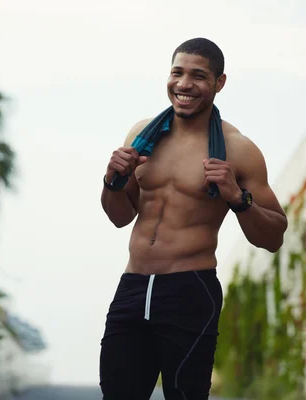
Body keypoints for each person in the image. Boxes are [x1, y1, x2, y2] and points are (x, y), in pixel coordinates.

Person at [98, 37, 288, 400]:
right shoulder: (141, 136)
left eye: (198, 76)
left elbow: (274, 236)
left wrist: (238, 198)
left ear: (219, 83)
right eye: (177, 73)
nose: (184, 84)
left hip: (190, 289)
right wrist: (111, 181)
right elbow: (120, 216)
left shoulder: (238, 149)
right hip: (133, 285)